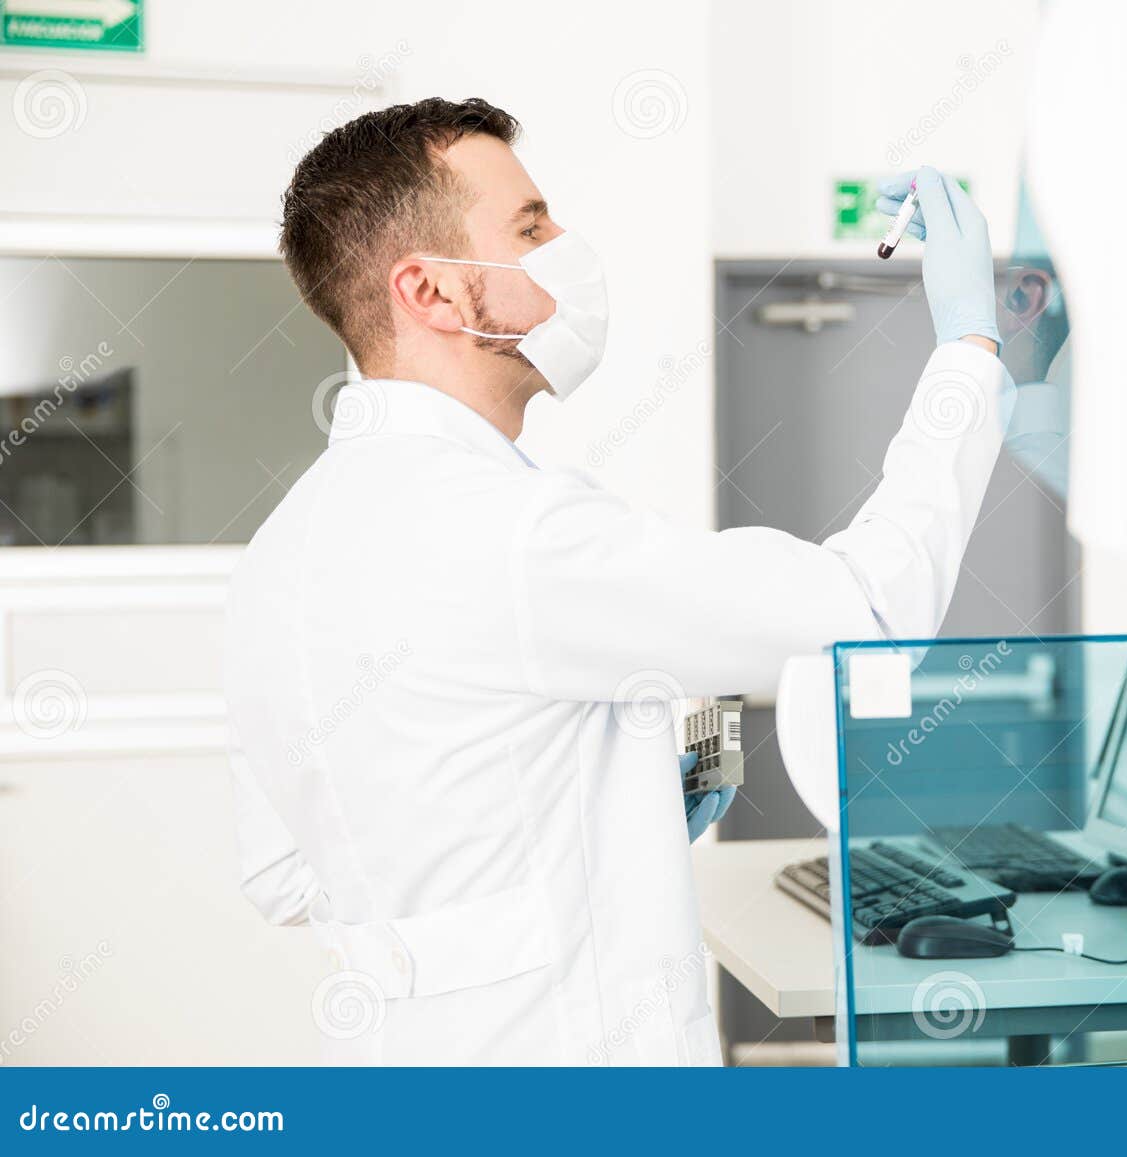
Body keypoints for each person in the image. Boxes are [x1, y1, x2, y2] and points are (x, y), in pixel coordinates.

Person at [226, 97, 1011, 1065]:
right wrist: (967, 357)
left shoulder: (279, 554)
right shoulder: (515, 533)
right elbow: (867, 608)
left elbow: (283, 873)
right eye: (530, 228)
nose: (567, 246)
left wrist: (613, 807)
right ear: (429, 290)